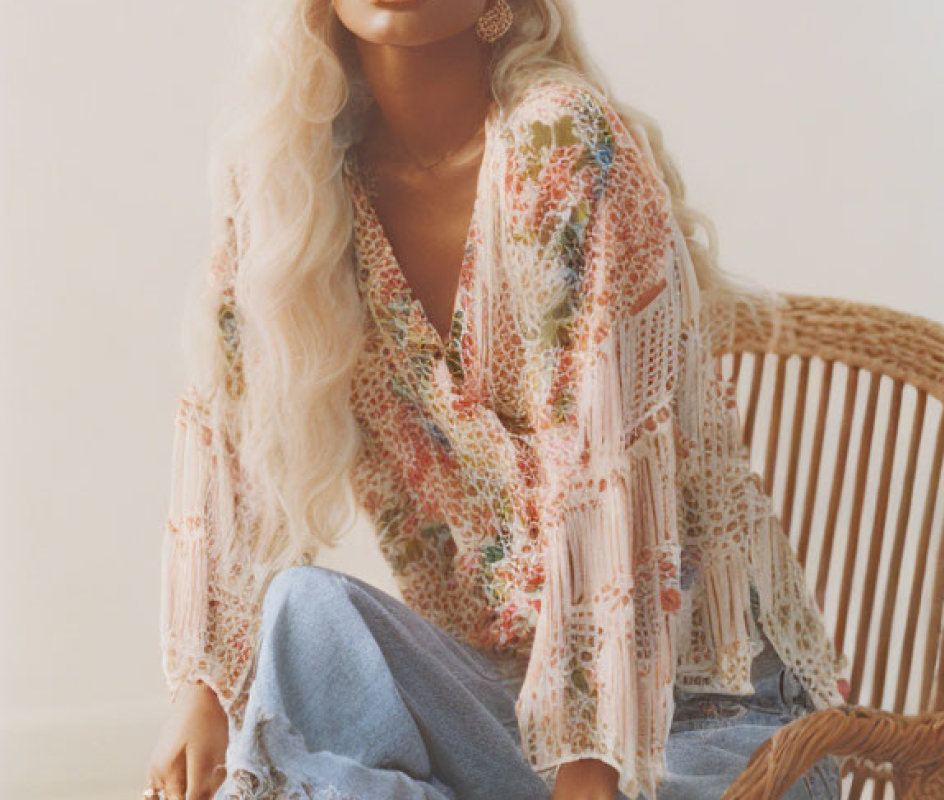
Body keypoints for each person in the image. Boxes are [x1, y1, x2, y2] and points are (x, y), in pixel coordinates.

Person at [145, 1, 852, 799]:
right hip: (494, 714)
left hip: (701, 734)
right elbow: (232, 420)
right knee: (304, 612)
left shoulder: (563, 146)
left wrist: (592, 772)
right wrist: (204, 686)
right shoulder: (290, 176)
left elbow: (604, 466)